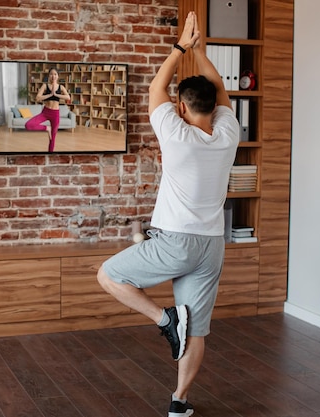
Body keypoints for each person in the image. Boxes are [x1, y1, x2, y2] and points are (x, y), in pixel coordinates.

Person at [97, 11, 239, 417]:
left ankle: (163, 320)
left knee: (108, 275)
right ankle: (180, 403)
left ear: (180, 105)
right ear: (215, 105)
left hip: (175, 240)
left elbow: (156, 87)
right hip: (212, 244)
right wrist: (200, 50)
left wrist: (181, 47)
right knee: (195, 327)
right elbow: (220, 92)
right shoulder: (229, 133)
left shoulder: (176, 134)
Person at [24, 67, 71, 152]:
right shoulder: (45, 86)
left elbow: (68, 97)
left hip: (55, 114)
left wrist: (56, 94)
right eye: (51, 74)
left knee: (52, 139)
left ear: (58, 76)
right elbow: (38, 98)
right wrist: (49, 95)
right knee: (28, 125)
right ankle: (47, 128)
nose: (53, 76)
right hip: (45, 112)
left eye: (55, 74)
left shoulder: (61, 87)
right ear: (49, 76)